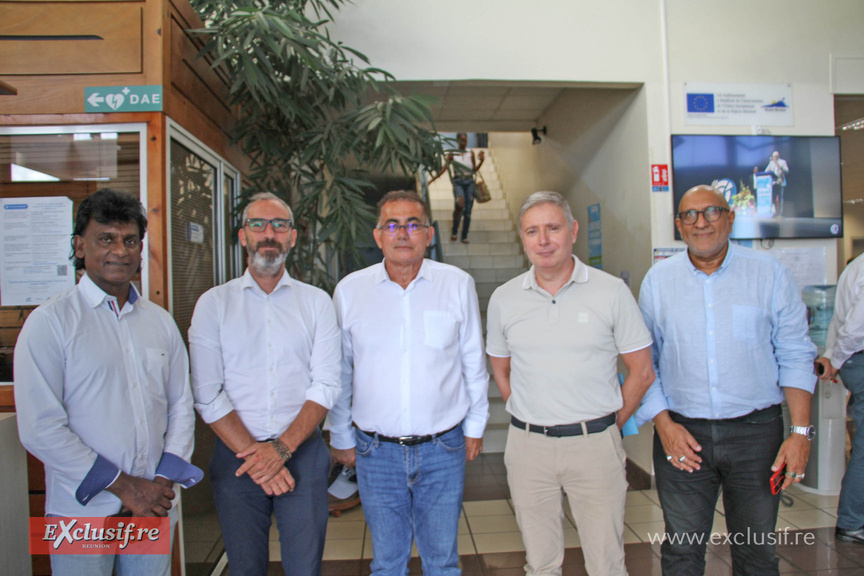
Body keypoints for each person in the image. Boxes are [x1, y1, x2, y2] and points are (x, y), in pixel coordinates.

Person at [14, 188, 201, 575]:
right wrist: (125, 486)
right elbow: (40, 428)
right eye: (106, 239)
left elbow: (181, 406)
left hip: (151, 508)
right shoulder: (50, 323)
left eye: (130, 240)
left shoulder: (159, 322)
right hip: (80, 512)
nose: (120, 251)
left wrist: (160, 483)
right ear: (80, 246)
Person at [636, 184, 816, 576]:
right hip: (683, 435)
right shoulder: (657, 282)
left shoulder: (769, 275)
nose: (701, 223)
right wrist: (663, 425)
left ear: (730, 218)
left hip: (757, 436)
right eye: (689, 215)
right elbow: (645, 363)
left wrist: (801, 431)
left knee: (756, 555)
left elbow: (796, 354)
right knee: (681, 553)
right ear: (679, 226)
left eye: (711, 212)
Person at [486, 191, 655, 576]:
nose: (543, 240)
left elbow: (642, 371)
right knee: (540, 564)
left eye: (552, 228)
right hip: (528, 449)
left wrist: (610, 424)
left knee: (607, 564)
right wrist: (531, 411)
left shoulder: (611, 291)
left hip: (594, 445)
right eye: (532, 231)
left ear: (573, 231)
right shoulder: (504, 299)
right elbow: (502, 370)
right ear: (522, 238)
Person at [329, 190, 489, 576]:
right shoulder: (351, 291)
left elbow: (472, 359)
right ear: (378, 235)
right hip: (375, 452)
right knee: (387, 563)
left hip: (443, 448)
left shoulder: (457, 284)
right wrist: (340, 434)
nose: (403, 233)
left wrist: (476, 425)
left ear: (429, 234)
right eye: (393, 225)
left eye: (413, 224)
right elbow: (340, 370)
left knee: (442, 561)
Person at [189, 192, 341, 576]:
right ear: (243, 237)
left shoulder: (317, 302)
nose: (268, 233)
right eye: (258, 225)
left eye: (279, 225)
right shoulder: (214, 304)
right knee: (244, 567)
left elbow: (325, 384)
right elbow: (207, 393)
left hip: (302, 453)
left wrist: (280, 450)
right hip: (236, 456)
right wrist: (260, 458)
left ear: (292, 237)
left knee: (305, 568)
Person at [816, 253, 864, 543]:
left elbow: (839, 321)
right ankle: (852, 522)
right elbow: (856, 329)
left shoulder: (855, 266)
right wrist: (836, 356)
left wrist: (834, 356)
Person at [430, 132, 485, 244]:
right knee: (460, 204)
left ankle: (464, 235)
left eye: (465, 140)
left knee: (468, 211)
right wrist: (432, 179)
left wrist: (481, 161)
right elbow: (444, 168)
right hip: (458, 182)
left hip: (470, 182)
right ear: (458, 141)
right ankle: (454, 230)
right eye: (461, 140)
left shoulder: (470, 152)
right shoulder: (453, 153)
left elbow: (473, 169)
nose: (464, 143)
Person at [765, 151, 789, 217]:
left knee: (781, 198)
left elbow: (787, 171)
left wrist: (779, 166)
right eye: (773, 156)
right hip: (774, 182)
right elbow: (766, 171)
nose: (774, 157)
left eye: (775, 156)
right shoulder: (771, 163)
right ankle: (776, 212)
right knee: (774, 198)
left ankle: (781, 213)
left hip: (781, 182)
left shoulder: (782, 162)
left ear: (778, 156)